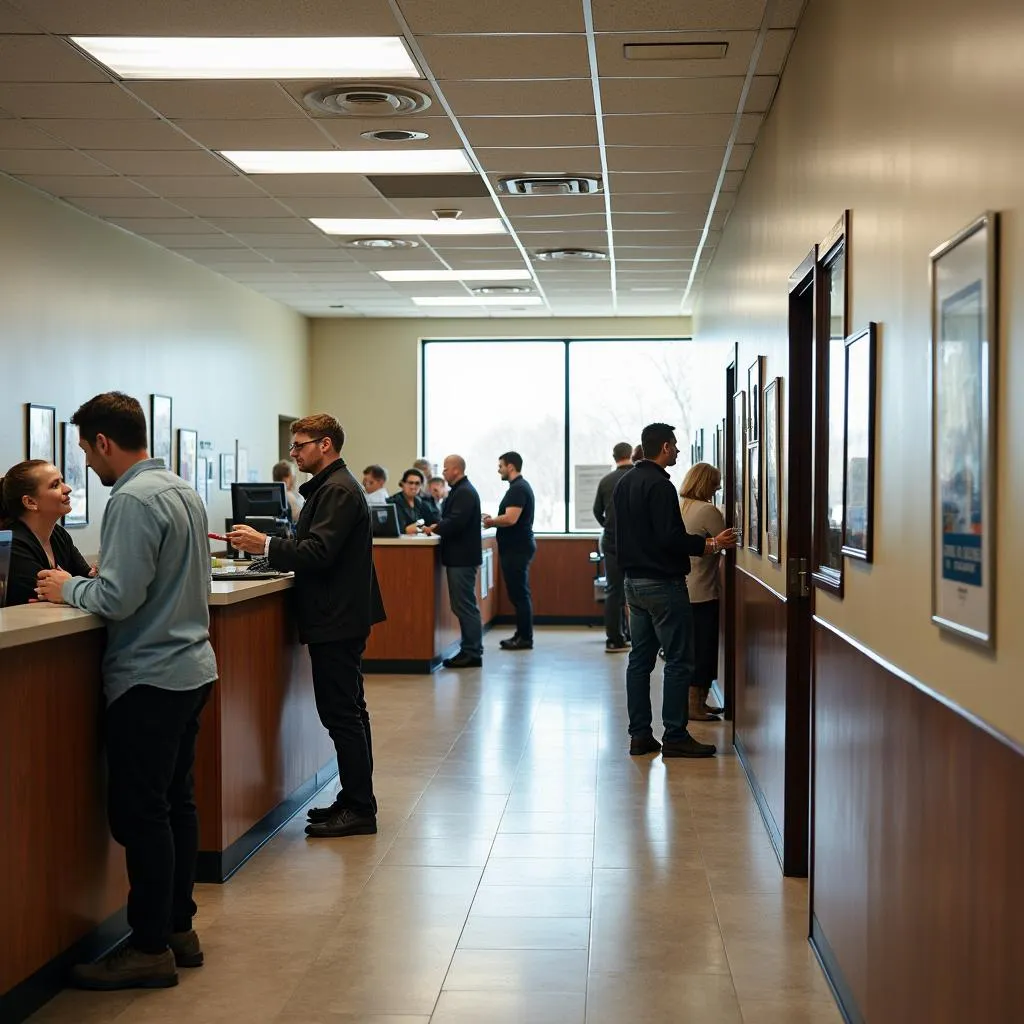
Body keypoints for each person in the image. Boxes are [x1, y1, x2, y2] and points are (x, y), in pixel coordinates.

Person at [34, 392, 217, 991]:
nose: (87, 463)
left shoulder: (133, 499)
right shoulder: (179, 488)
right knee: (175, 805)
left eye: (86, 449)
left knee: (142, 815)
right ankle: (177, 928)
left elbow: (117, 599)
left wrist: (66, 588)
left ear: (105, 443)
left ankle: (146, 947)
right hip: (191, 668)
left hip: (149, 676)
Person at [228, 415, 385, 839]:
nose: (294, 453)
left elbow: (317, 552)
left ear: (326, 445)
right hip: (339, 614)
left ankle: (359, 807)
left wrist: (264, 544)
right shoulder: (334, 485)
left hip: (336, 617)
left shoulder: (337, 488)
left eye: (300, 445)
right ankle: (355, 798)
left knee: (342, 714)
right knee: (349, 711)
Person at [613, 422, 736, 759]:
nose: (679, 451)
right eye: (676, 445)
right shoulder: (660, 485)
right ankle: (676, 735)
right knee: (680, 660)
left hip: (633, 585)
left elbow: (618, 534)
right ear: (665, 447)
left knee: (639, 660)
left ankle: (640, 735)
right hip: (664, 584)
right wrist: (708, 544)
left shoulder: (624, 483)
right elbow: (670, 539)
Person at [0, 460, 94, 606]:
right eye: (55, 485)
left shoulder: (59, 535)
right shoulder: (13, 544)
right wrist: (71, 588)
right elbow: (41, 597)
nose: (67, 488)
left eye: (62, 481)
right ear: (30, 502)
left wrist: (69, 588)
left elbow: (90, 583)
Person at [424, 455, 482, 668]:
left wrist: (435, 528)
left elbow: (456, 522)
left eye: (447, 469)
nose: (444, 473)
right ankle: (469, 649)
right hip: (460, 557)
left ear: (456, 470)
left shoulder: (464, 492)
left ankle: (472, 652)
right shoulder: (461, 490)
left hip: (462, 559)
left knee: (464, 605)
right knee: (463, 604)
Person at [680, 464, 728, 722]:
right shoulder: (708, 510)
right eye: (714, 483)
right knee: (704, 650)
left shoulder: (681, 505)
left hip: (683, 589)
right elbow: (727, 540)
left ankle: (697, 702)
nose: (718, 488)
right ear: (704, 484)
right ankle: (695, 705)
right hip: (703, 590)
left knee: (691, 649)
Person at [484, 451, 536, 651]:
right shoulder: (518, 487)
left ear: (511, 467)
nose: (499, 470)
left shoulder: (518, 489)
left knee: (519, 594)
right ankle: (521, 634)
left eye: (500, 466)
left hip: (517, 548)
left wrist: (490, 522)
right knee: (518, 594)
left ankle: (525, 638)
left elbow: (511, 518)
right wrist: (494, 519)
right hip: (517, 547)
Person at [592, 442, 635, 654]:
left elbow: (596, 511)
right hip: (635, 543)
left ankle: (613, 639)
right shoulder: (637, 477)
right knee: (636, 589)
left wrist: (609, 526)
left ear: (615, 456)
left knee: (613, 591)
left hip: (610, 542)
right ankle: (636, 636)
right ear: (631, 455)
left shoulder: (606, 481)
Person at [387, 468, 439, 534]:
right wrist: (420, 527)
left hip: (421, 541)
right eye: (410, 483)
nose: (413, 487)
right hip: (399, 542)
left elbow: (433, 522)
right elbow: (397, 529)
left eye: (417, 483)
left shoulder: (423, 503)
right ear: (402, 484)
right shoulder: (392, 502)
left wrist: (432, 526)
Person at [272, 459, 304, 524]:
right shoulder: (288, 496)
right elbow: (301, 518)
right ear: (285, 478)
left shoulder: (274, 494)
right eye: (292, 475)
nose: (294, 477)